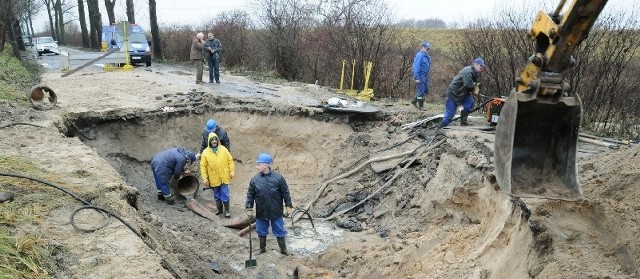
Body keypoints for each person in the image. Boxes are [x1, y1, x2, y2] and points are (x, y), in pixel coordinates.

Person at [245, 153, 293, 256]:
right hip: (261, 211)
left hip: (276, 211)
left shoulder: (279, 178)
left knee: (280, 230)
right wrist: (249, 208)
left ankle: (283, 250)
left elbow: (285, 192)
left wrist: (288, 206)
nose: (256, 166)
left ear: (266, 165)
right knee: (261, 231)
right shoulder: (254, 180)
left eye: (259, 164)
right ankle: (262, 249)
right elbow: (250, 195)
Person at [437, 57, 486, 129]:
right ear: (476, 64)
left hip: (462, 93)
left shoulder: (474, 73)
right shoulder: (468, 71)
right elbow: (468, 84)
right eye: (481, 66)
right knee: (450, 114)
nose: (482, 68)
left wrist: (476, 88)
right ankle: (439, 129)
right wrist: (476, 85)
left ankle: (463, 122)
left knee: (470, 103)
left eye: (483, 66)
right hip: (454, 93)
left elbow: (470, 86)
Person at [200, 133, 235, 218]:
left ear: (218, 140)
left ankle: (227, 211)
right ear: (209, 142)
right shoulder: (205, 153)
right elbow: (203, 166)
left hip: (224, 177)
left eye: (215, 140)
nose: (214, 141)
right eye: (212, 140)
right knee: (216, 195)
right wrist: (204, 178)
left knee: (225, 194)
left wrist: (232, 171)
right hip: (213, 178)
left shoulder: (223, 149)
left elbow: (230, 160)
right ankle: (219, 210)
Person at [411, 41, 432, 111]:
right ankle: (421, 106)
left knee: (425, 90)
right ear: (423, 48)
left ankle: (414, 101)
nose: (428, 50)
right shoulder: (419, 55)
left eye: (429, 49)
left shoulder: (426, 56)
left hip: (425, 76)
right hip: (420, 75)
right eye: (427, 49)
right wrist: (416, 77)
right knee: (421, 91)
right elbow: (416, 67)